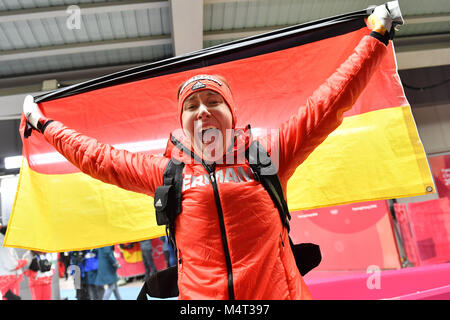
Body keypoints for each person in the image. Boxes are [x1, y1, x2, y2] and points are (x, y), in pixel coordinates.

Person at [22, 3, 403, 299]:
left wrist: (375, 38)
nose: (202, 110)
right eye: (192, 105)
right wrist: (43, 124)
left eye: (212, 101)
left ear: (230, 114)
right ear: (183, 121)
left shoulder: (267, 154)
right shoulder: (166, 172)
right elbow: (96, 157)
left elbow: (327, 103)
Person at [0, 225, 28, 300]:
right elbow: (11, 264)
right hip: (8, 279)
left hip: (7, 279)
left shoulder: (5, 244)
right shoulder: (3, 245)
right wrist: (24, 261)